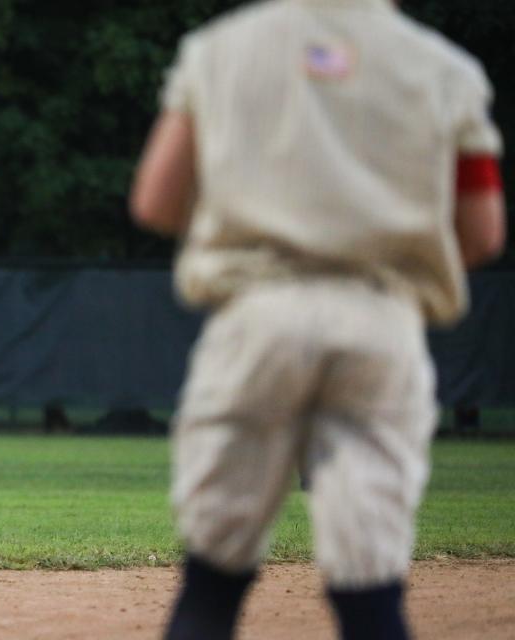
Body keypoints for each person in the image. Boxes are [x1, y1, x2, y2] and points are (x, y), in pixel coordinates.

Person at [129, 1, 505, 638]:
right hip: (381, 323)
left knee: (212, 583)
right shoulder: (445, 69)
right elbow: (482, 233)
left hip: (258, 317)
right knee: (371, 587)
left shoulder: (221, 49)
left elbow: (157, 201)